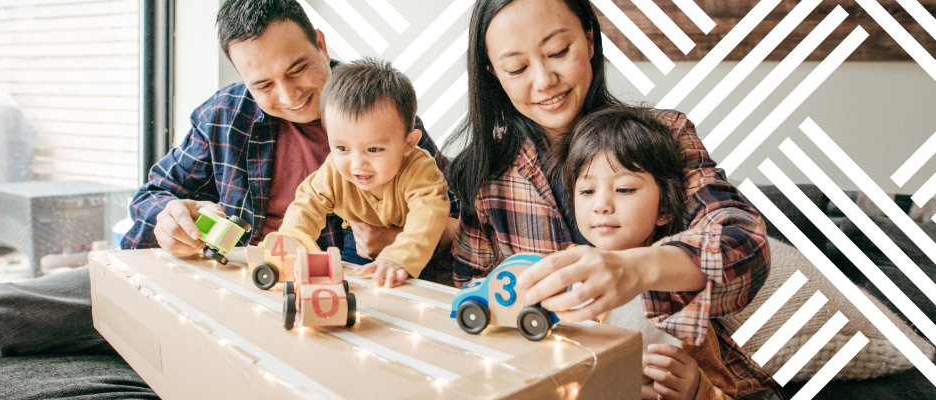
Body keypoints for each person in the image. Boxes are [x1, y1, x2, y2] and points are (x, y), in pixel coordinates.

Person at [0, 0, 456, 397]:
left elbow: (454, 219)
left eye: (299, 68)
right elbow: (153, 193)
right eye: (263, 84)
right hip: (210, 277)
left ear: (321, 44)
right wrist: (171, 216)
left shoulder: (379, 107)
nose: (288, 94)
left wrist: (394, 242)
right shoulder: (226, 114)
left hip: (312, 298)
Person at [443, 0, 783, 398]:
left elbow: (745, 244)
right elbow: (469, 294)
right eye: (516, 68)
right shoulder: (484, 172)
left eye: (557, 52)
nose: (544, 80)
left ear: (588, 40)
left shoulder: (662, 134)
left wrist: (636, 269)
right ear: (493, 74)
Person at [560, 107, 738, 400]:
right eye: (587, 191)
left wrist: (695, 388)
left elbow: (724, 391)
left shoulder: (679, 293)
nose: (601, 205)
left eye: (625, 189)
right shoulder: (562, 267)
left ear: (664, 208)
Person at [281, 58, 450, 287]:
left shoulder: (419, 169)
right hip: (357, 247)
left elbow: (429, 214)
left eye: (373, 149)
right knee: (349, 287)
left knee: (415, 294)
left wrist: (398, 258)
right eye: (342, 148)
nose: (357, 164)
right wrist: (290, 241)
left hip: (416, 250)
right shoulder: (334, 171)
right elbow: (307, 204)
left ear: (408, 143)